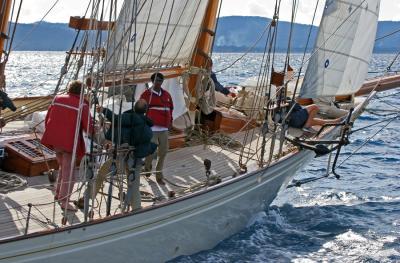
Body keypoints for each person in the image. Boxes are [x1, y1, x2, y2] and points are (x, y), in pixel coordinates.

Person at [41, 80, 93, 212]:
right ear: (81, 92)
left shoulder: (57, 99)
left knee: (62, 168)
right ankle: (64, 201)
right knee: (70, 174)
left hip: (55, 140)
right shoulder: (82, 105)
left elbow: (48, 119)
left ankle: (58, 194)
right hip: (69, 143)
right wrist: (97, 128)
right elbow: (89, 128)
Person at [97, 99, 156, 211]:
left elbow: (115, 119)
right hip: (136, 156)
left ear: (134, 108)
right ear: (145, 111)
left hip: (124, 154)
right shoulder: (146, 124)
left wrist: (104, 110)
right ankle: (136, 208)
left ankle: (88, 197)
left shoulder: (130, 117)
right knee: (134, 182)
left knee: (101, 174)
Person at [140, 73, 173, 185]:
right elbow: (140, 110)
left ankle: (159, 175)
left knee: (163, 152)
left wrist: (170, 122)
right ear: (152, 81)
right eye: (157, 80)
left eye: (161, 80)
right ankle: (147, 170)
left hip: (164, 128)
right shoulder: (146, 95)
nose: (159, 82)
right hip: (152, 128)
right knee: (150, 151)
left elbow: (171, 109)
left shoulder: (167, 94)